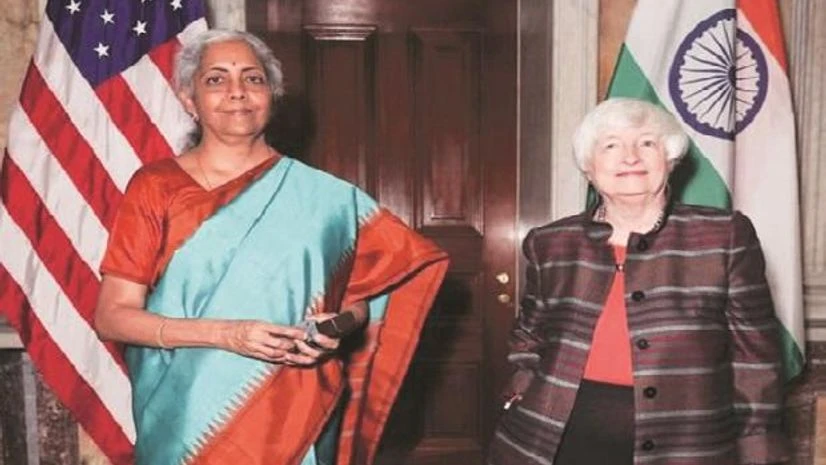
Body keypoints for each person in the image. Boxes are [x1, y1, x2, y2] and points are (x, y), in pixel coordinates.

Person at [94, 29, 449, 465]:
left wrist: (334, 328)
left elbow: (364, 303)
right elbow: (112, 316)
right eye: (216, 79)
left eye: (253, 78)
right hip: (185, 415)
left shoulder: (327, 200)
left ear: (273, 95)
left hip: (292, 409)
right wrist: (229, 335)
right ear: (190, 101)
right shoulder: (155, 187)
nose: (237, 92)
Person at [487, 98, 790, 465]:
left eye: (647, 143)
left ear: (671, 158)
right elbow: (530, 331)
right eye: (611, 145)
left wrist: (758, 447)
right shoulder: (550, 242)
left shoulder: (724, 235)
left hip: (687, 444)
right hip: (553, 440)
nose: (630, 157)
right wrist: (524, 381)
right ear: (589, 167)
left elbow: (755, 356)